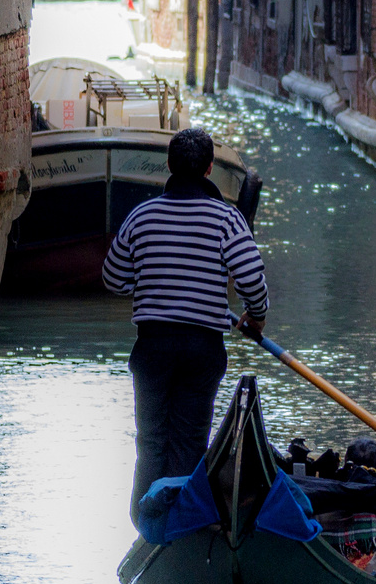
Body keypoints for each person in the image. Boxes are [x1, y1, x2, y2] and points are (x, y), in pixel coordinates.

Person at [103, 128, 270, 505]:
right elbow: (252, 281)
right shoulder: (227, 219)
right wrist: (255, 317)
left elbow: (113, 279)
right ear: (209, 169)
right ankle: (181, 523)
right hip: (201, 348)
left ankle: (147, 520)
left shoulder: (141, 216)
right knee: (190, 439)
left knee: (150, 439)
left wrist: (148, 278)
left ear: (169, 166)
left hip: (153, 345)